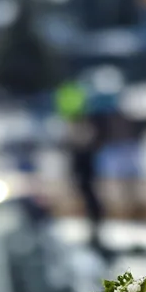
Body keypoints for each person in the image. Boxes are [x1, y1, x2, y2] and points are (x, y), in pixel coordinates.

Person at [56, 79, 105, 248]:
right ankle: (93, 228)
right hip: (81, 157)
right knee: (86, 193)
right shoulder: (79, 122)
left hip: (82, 158)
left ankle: (95, 229)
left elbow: (81, 142)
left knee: (88, 193)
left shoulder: (81, 123)